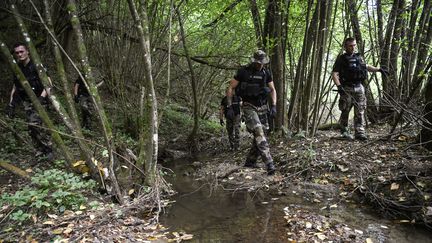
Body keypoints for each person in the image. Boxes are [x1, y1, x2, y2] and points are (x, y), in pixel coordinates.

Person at [226, 50, 277, 175]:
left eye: (262, 63)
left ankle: (250, 161)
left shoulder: (266, 73)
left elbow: (272, 89)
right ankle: (269, 163)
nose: (260, 65)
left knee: (261, 134)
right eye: (258, 63)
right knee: (258, 131)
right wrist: (229, 106)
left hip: (263, 107)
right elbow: (231, 87)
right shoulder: (243, 71)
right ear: (254, 61)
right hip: (248, 106)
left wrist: (274, 105)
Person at [332, 37, 387, 141]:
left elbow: (366, 66)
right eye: (350, 45)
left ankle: (360, 132)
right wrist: (339, 87)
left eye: (354, 45)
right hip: (347, 88)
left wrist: (379, 69)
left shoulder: (359, 57)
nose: (353, 47)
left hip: (359, 88)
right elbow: (334, 74)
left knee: (360, 110)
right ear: (345, 46)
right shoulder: (341, 59)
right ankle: (345, 132)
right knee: (345, 110)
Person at [5, 42, 53, 158]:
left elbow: (49, 84)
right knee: (31, 127)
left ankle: (49, 149)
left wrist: (41, 98)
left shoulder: (37, 65)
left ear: (27, 51)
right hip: (27, 101)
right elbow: (15, 86)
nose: (20, 54)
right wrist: (11, 104)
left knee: (37, 124)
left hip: (40, 99)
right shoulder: (18, 68)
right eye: (17, 53)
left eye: (22, 51)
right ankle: (40, 149)